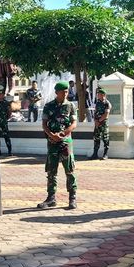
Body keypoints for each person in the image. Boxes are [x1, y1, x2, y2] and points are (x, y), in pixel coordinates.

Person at [37, 81, 78, 210]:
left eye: (66, 91)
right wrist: (51, 135)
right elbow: (44, 124)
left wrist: (63, 133)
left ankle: (72, 197)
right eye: (63, 92)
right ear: (56, 92)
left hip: (66, 142)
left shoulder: (71, 105)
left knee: (69, 170)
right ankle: (51, 198)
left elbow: (74, 124)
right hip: (52, 143)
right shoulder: (49, 106)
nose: (65, 94)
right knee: (51, 171)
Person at [89, 87, 111, 160]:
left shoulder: (107, 103)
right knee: (96, 138)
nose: (97, 95)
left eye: (99, 94)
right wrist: (95, 121)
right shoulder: (98, 102)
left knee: (105, 139)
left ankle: (105, 154)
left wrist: (99, 121)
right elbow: (95, 112)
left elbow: (106, 114)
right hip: (97, 124)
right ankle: (95, 154)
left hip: (103, 124)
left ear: (103, 95)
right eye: (97, 94)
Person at [0, 89, 13, 157]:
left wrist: (6, 119)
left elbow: (9, 112)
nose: (0, 96)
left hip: (4, 122)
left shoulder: (6, 103)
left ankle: (9, 151)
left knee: (6, 137)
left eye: (2, 94)